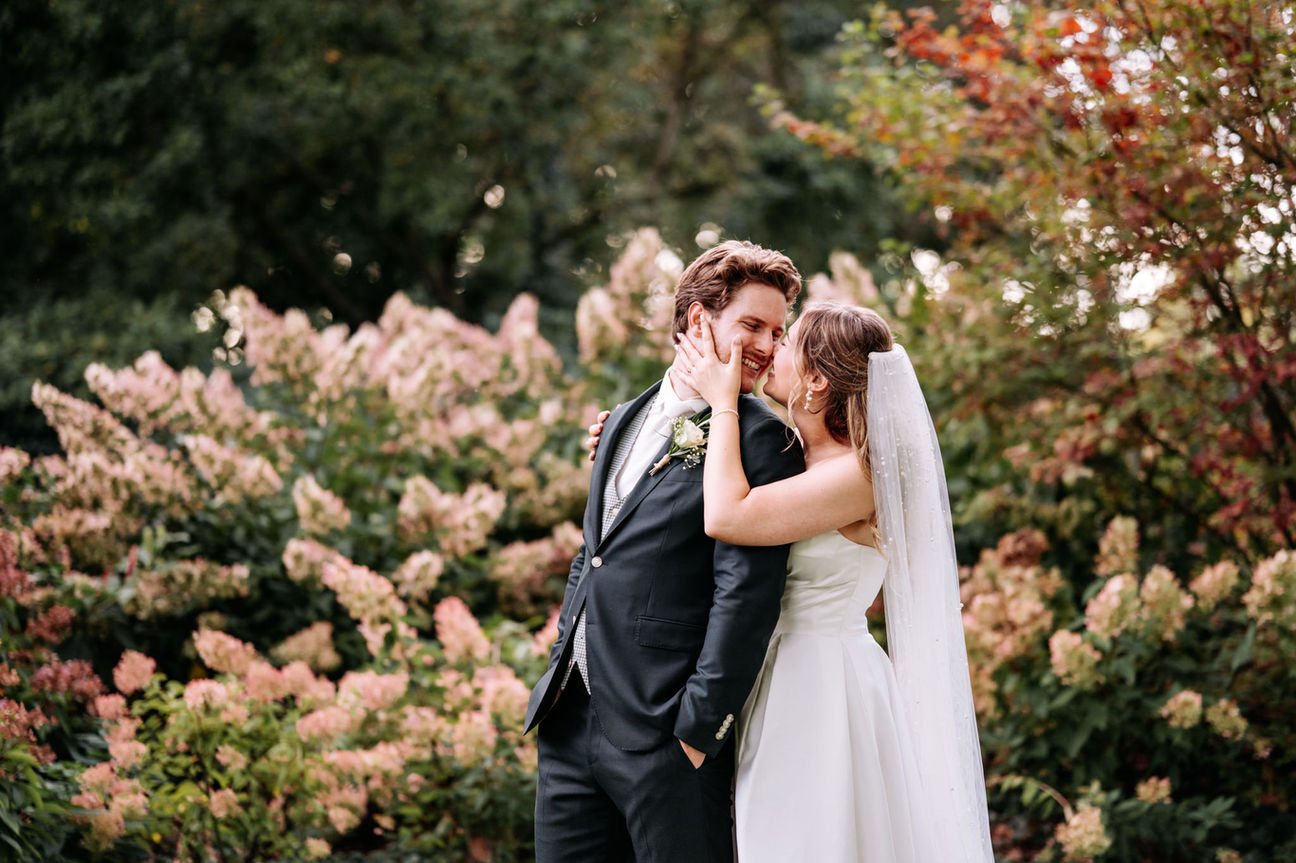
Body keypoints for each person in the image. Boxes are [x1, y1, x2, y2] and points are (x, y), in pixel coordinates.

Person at [669, 302, 996, 862]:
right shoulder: (798, 459)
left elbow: (727, 516)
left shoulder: (859, 474)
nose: (771, 350)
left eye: (787, 341)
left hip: (819, 690)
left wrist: (725, 404)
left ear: (817, 379)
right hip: (783, 674)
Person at [523, 241, 806, 863]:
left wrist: (699, 729)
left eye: (777, 332)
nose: (767, 346)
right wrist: (559, 659)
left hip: (667, 733)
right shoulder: (622, 418)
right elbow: (592, 552)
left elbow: (746, 595)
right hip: (571, 723)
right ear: (699, 321)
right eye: (751, 326)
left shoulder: (765, 440)